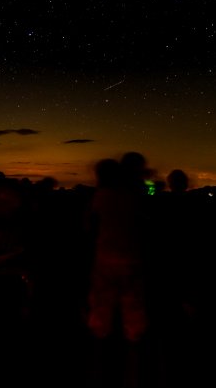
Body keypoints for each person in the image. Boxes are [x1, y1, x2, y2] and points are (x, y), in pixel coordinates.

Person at [86, 153, 151, 388]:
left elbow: (91, 227)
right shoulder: (132, 196)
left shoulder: (101, 197)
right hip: (131, 260)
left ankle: (100, 355)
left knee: (102, 310)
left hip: (105, 259)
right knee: (133, 310)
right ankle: (133, 356)